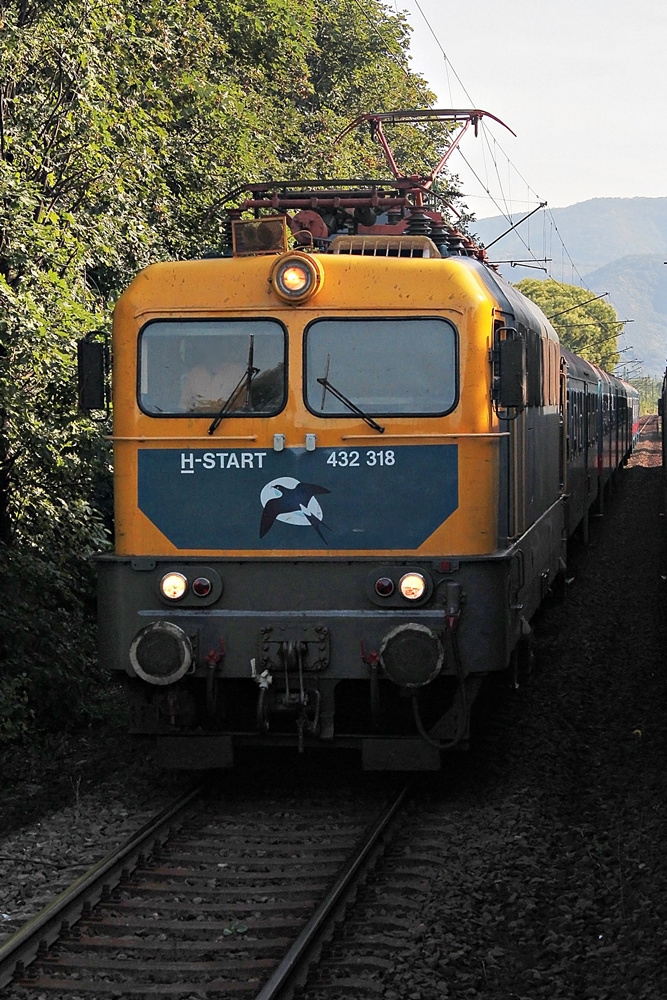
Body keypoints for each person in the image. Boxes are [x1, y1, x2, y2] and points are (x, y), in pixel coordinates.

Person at [180, 339, 245, 412]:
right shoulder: (195, 374)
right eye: (207, 348)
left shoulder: (236, 372)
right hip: (198, 421)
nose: (210, 351)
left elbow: (242, 408)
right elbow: (186, 406)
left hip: (229, 420)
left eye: (213, 346)